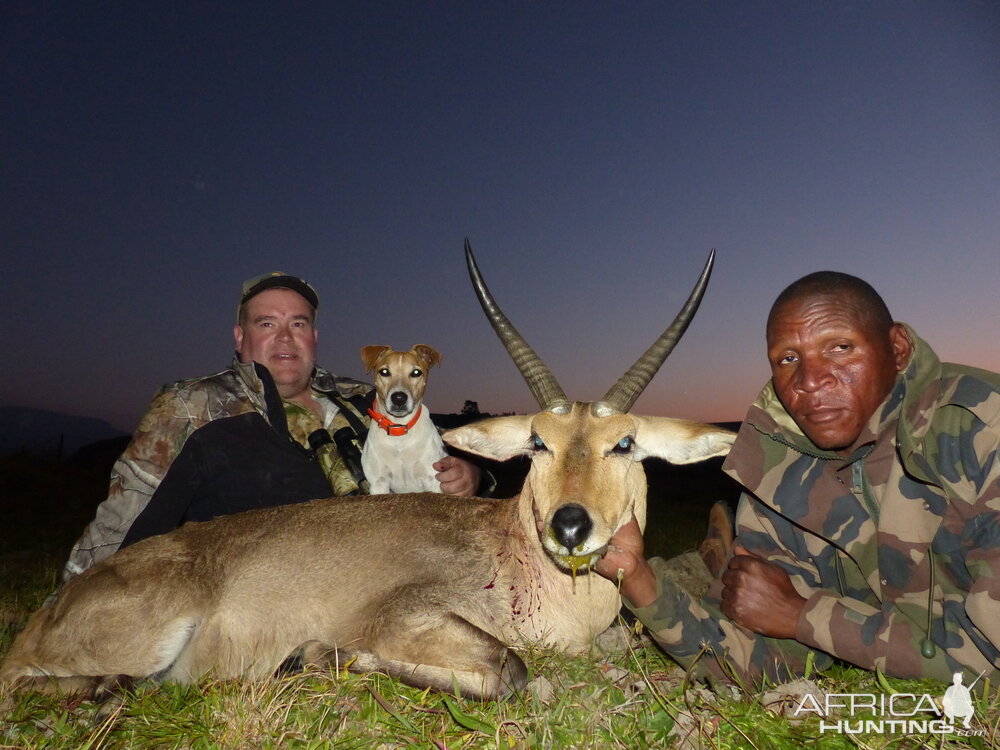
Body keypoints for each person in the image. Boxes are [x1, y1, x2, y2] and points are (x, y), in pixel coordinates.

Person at [597, 271, 1000, 684]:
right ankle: (712, 557)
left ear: (897, 349)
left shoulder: (984, 431)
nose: (809, 381)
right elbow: (754, 661)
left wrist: (803, 616)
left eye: (840, 348)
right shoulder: (779, 468)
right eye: (788, 359)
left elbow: (991, 657)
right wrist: (639, 579)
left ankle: (710, 558)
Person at [63, 272, 483, 580]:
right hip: (274, 587)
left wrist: (473, 474)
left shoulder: (366, 394)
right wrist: (74, 604)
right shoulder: (192, 405)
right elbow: (124, 519)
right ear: (239, 335)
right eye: (267, 324)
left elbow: (454, 442)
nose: (285, 337)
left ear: (314, 337)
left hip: (399, 566)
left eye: (297, 324)